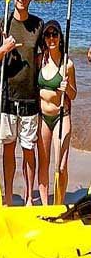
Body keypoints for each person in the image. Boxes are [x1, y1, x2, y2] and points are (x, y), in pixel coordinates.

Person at [0, 0, 43, 206]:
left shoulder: (38, 25)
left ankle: (29, 198)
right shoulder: (2, 24)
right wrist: (4, 49)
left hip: (30, 99)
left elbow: (43, 60)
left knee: (29, 150)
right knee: (8, 151)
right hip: (7, 98)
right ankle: (8, 198)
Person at [37, 20, 77, 204]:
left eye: (55, 34)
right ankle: (45, 204)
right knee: (43, 163)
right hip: (43, 118)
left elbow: (74, 95)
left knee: (60, 166)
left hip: (62, 117)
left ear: (60, 38)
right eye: (48, 35)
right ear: (44, 38)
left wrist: (67, 87)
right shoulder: (40, 60)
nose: (51, 38)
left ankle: (59, 203)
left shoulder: (67, 64)